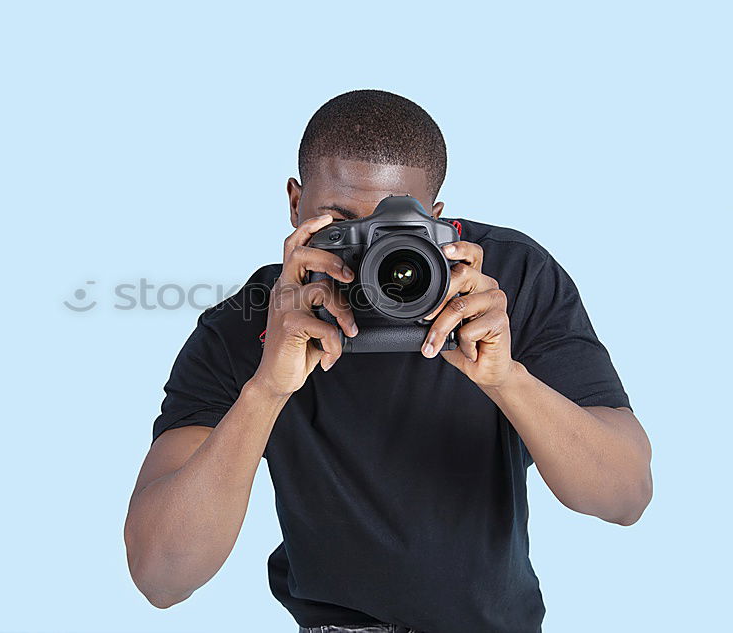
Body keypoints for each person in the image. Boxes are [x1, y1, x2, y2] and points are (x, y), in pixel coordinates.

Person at [123, 89, 652, 633]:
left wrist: (506, 378)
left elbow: (624, 496)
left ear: (439, 220)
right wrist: (266, 390)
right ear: (293, 203)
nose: (370, 254)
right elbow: (160, 575)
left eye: (395, 227)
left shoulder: (509, 281)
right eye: (338, 223)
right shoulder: (245, 325)